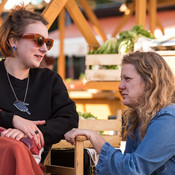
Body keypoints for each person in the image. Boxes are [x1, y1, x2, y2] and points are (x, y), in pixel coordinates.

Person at [65, 51, 175, 175]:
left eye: (127, 79)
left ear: (150, 82)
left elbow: (133, 169)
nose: (120, 86)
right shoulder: (137, 118)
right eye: (121, 79)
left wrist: (95, 137)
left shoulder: (169, 119)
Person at [0, 4, 78, 174]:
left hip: (29, 165)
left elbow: (69, 119)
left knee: (17, 148)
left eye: (48, 42)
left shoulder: (49, 80)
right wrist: (13, 119)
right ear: (14, 41)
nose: (44, 49)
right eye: (39, 40)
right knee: (13, 148)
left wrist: (31, 133)